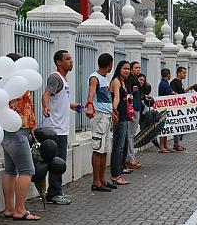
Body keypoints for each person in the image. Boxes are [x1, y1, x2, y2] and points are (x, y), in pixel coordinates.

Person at [1, 53, 40, 220]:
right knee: (27, 170)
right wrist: (32, 126)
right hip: (18, 130)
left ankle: (9, 208)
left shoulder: (1, 83)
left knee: (10, 170)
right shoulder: (20, 83)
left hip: (4, 130)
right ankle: (20, 209)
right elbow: (26, 109)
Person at [42, 50, 80, 205]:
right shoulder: (55, 77)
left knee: (59, 162)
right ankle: (54, 193)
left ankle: (55, 191)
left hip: (62, 128)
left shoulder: (63, 80)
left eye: (71, 58)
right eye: (67, 59)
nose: (71, 61)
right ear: (59, 62)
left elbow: (58, 99)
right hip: (55, 128)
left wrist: (72, 106)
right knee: (57, 162)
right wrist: (45, 107)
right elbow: (46, 94)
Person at [85, 53, 117, 192]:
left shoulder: (105, 78)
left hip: (106, 115)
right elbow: (91, 92)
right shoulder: (95, 77)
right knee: (98, 148)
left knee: (104, 150)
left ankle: (102, 179)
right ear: (109, 64)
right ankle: (96, 181)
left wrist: (112, 112)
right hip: (99, 116)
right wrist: (90, 105)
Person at [110, 60, 132, 185]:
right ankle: (115, 175)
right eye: (124, 68)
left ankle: (119, 172)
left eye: (128, 69)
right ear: (119, 69)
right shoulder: (116, 81)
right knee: (118, 147)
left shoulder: (124, 82)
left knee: (123, 146)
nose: (127, 71)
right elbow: (116, 98)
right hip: (119, 117)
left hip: (125, 117)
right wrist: (114, 110)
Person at [125, 61, 142, 169]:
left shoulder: (135, 80)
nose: (138, 69)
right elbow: (130, 96)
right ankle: (130, 159)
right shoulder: (130, 80)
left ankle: (130, 158)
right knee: (130, 134)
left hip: (136, 109)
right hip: (132, 110)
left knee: (131, 134)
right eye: (136, 68)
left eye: (139, 68)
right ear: (131, 69)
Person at [138, 74, 160, 149]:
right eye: (140, 80)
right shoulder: (135, 88)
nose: (142, 81)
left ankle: (152, 136)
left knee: (154, 115)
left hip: (142, 109)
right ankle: (150, 135)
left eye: (143, 80)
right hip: (137, 110)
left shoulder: (143, 89)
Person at [158, 68, 177, 153]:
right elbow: (172, 93)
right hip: (163, 108)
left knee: (166, 127)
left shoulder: (164, 83)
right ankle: (162, 146)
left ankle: (165, 145)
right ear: (168, 75)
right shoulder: (164, 84)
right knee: (163, 127)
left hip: (165, 108)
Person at [170, 66, 189, 151]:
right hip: (176, 107)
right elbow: (174, 94)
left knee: (181, 125)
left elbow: (181, 93)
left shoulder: (180, 82)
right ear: (179, 73)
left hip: (181, 107)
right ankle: (176, 143)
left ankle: (178, 143)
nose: (185, 75)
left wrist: (188, 89)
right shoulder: (174, 82)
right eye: (184, 73)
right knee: (177, 125)